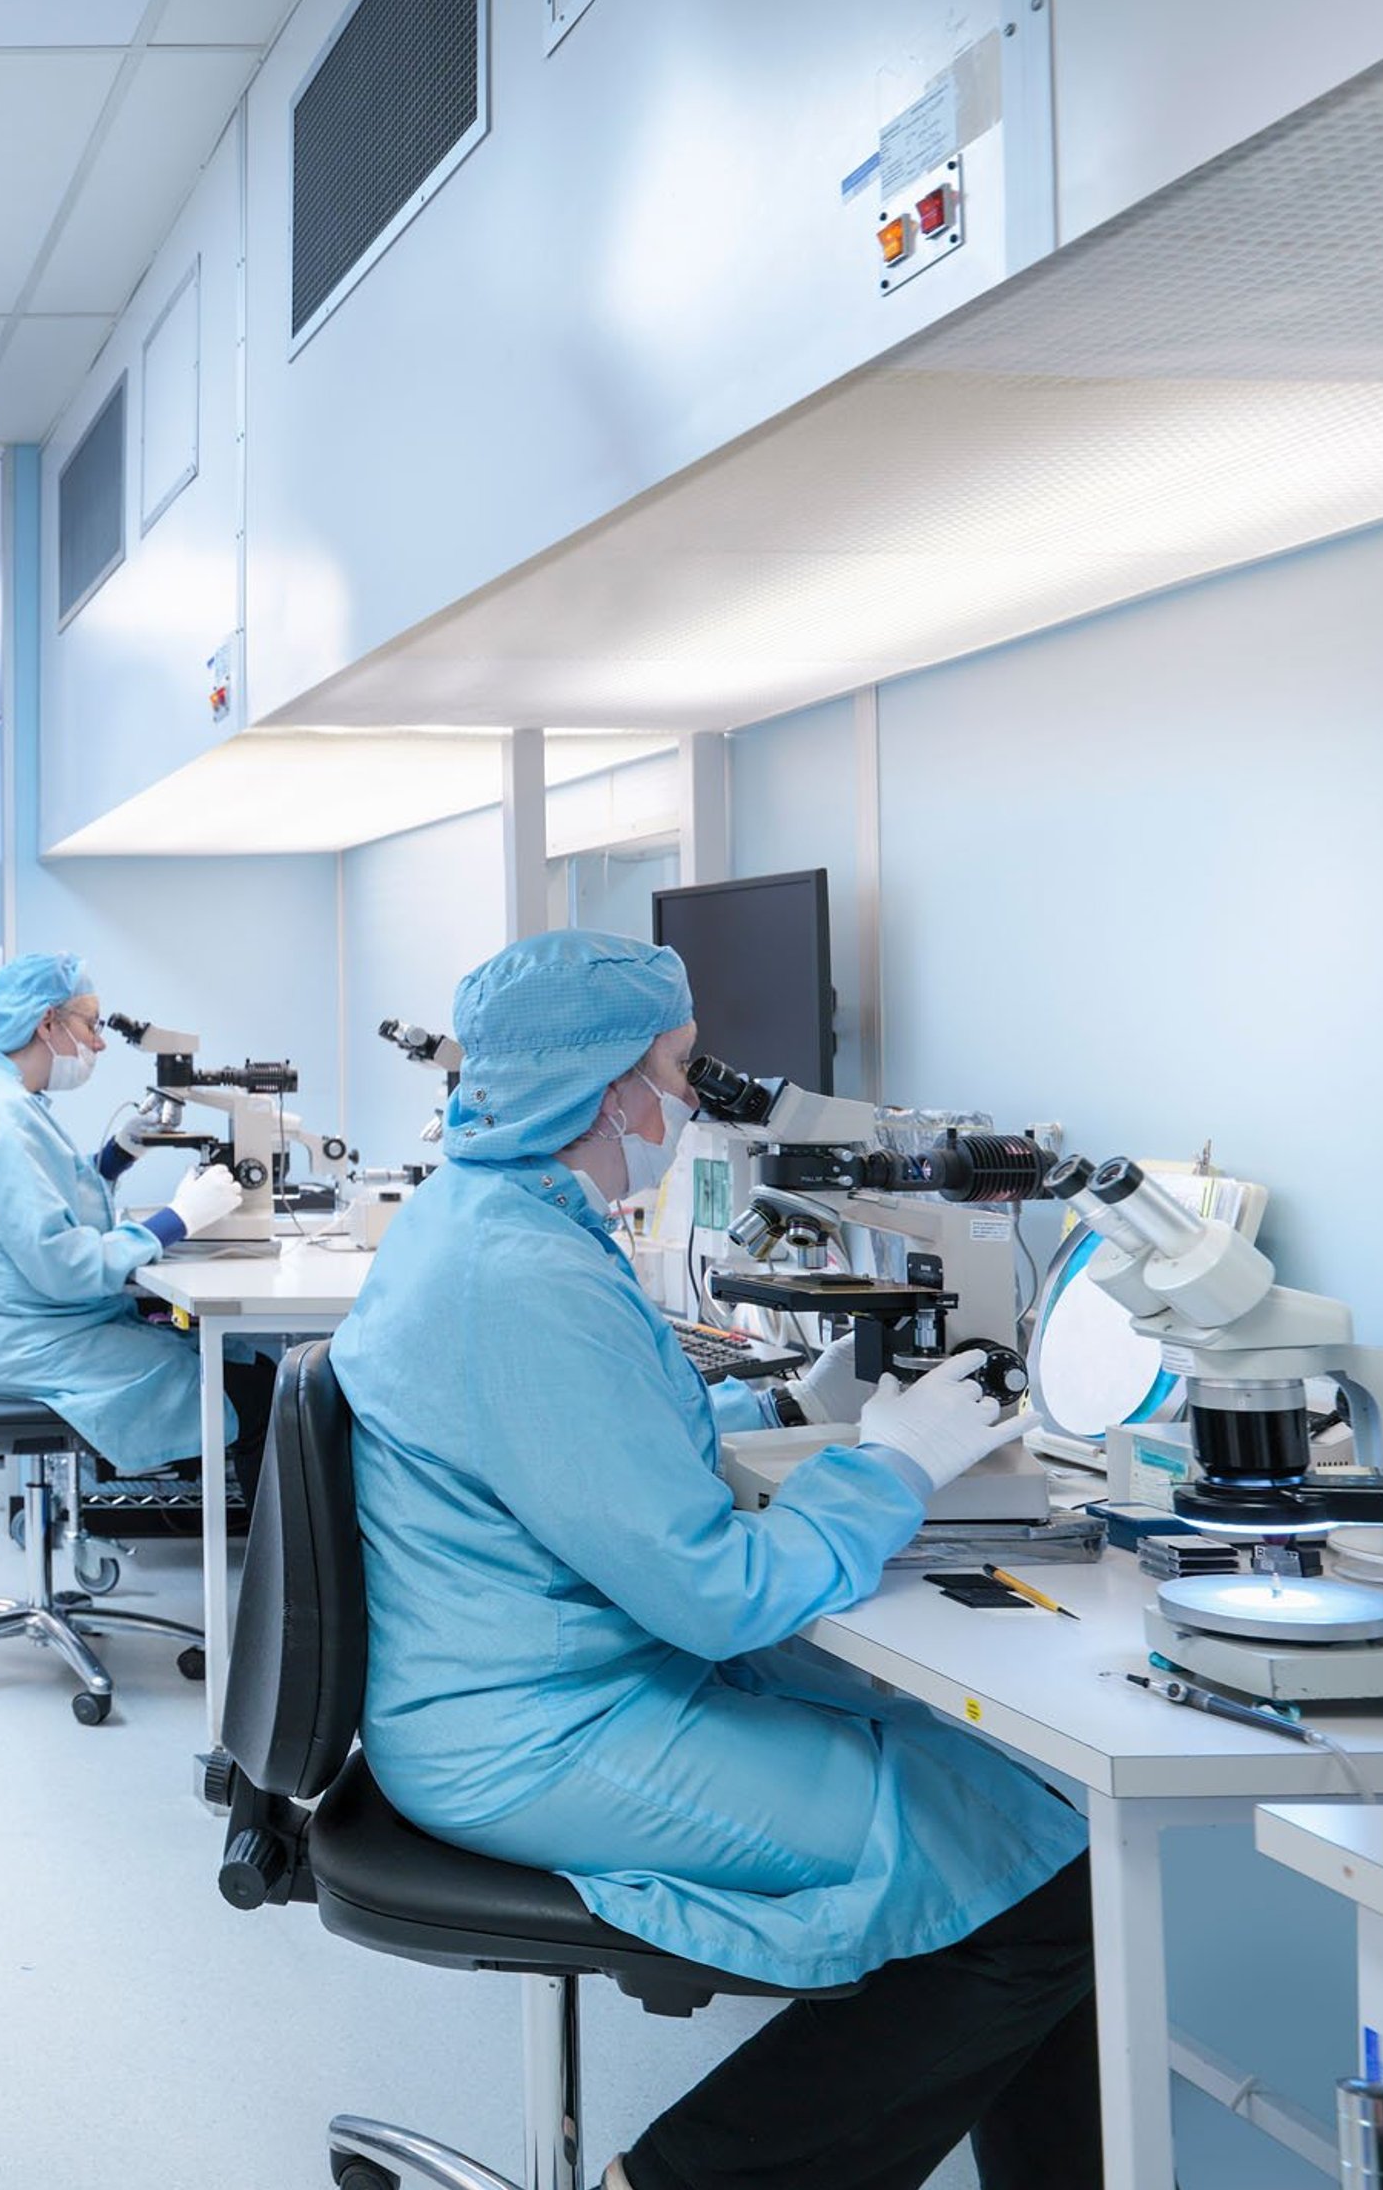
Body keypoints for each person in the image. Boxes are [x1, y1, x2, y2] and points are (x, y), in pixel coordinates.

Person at [329, 930, 1093, 2190]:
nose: (690, 1101)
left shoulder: (493, 1214)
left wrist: (797, 1415)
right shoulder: (518, 1274)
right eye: (681, 1070)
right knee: (1034, 1886)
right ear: (607, 1088)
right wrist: (890, 1467)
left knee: (1035, 1830)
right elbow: (716, 1596)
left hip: (536, 1681)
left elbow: (607, 1443)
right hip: (535, 1735)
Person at [0, 951, 251, 1477]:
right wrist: (176, 1219)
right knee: (255, 1392)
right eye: (90, 1025)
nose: (98, 1042)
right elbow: (65, 1267)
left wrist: (113, 1158)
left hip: (17, 1329)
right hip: (29, 1346)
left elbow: (33, 1197)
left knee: (241, 1361)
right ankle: (275, 1553)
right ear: (47, 1022)